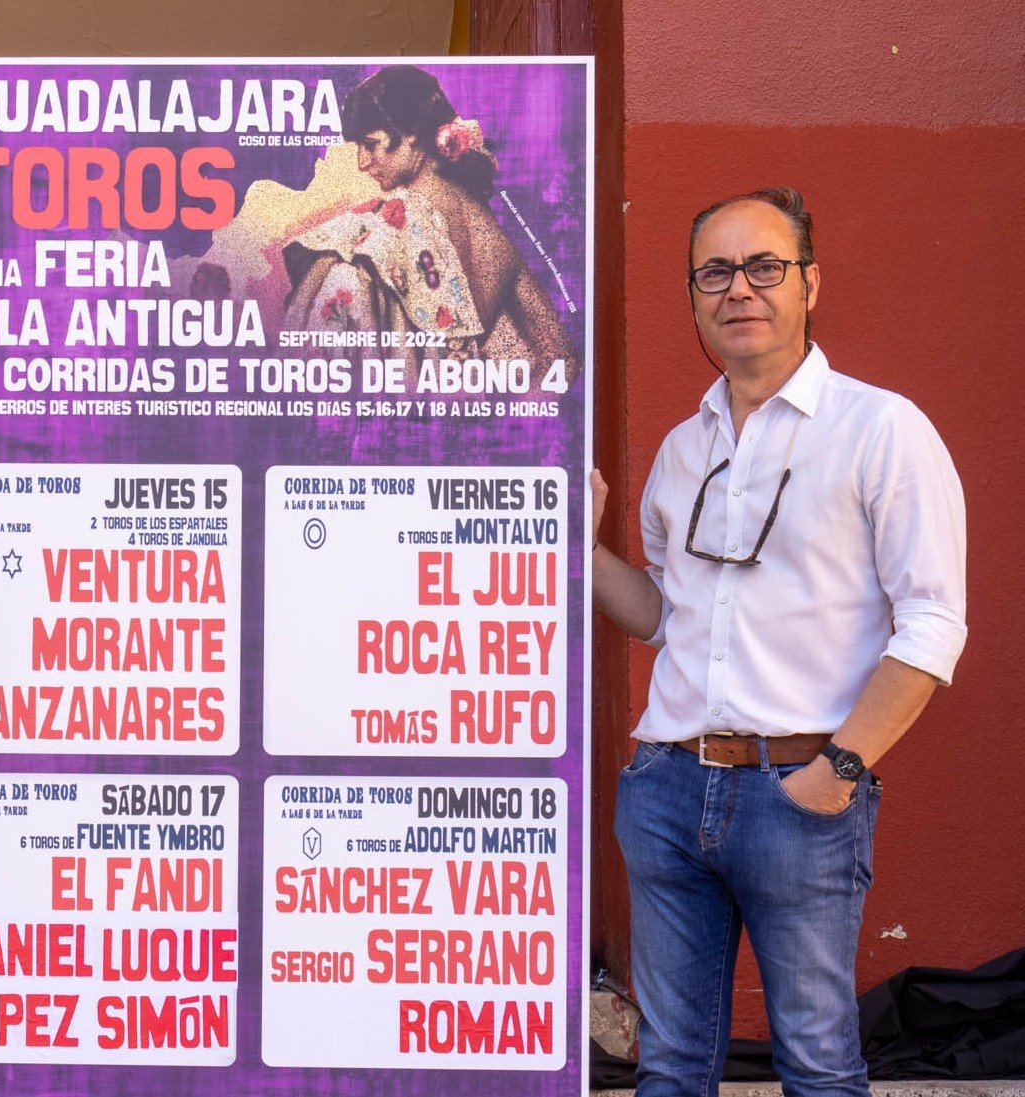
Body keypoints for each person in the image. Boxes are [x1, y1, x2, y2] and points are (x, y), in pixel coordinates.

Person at [592, 187, 966, 1095]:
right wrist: (579, 546)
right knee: (671, 1066)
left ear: (810, 284)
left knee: (819, 1065)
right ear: (692, 297)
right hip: (666, 788)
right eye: (715, 271)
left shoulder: (882, 429)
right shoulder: (685, 449)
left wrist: (840, 768)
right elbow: (663, 613)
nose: (740, 289)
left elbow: (932, 622)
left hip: (798, 794)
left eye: (765, 266)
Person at [283, 65, 572, 373]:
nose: (362, 162)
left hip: (396, 408)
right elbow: (563, 358)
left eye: (370, 144)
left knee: (338, 276)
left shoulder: (385, 225)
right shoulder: (497, 239)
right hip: (459, 413)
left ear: (409, 134)